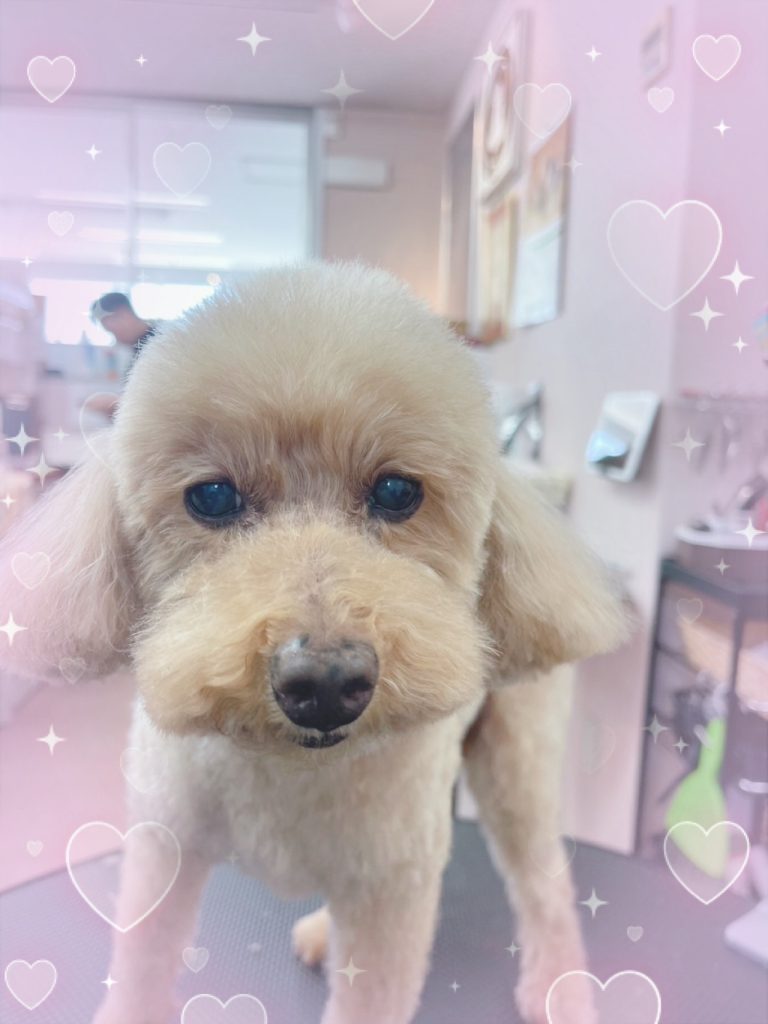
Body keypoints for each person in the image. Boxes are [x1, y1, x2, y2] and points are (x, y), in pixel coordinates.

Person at [88, 293, 161, 418]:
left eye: (113, 331)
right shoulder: (140, 348)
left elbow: (160, 401)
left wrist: (116, 405)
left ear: (123, 314)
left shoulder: (158, 345)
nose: (116, 339)